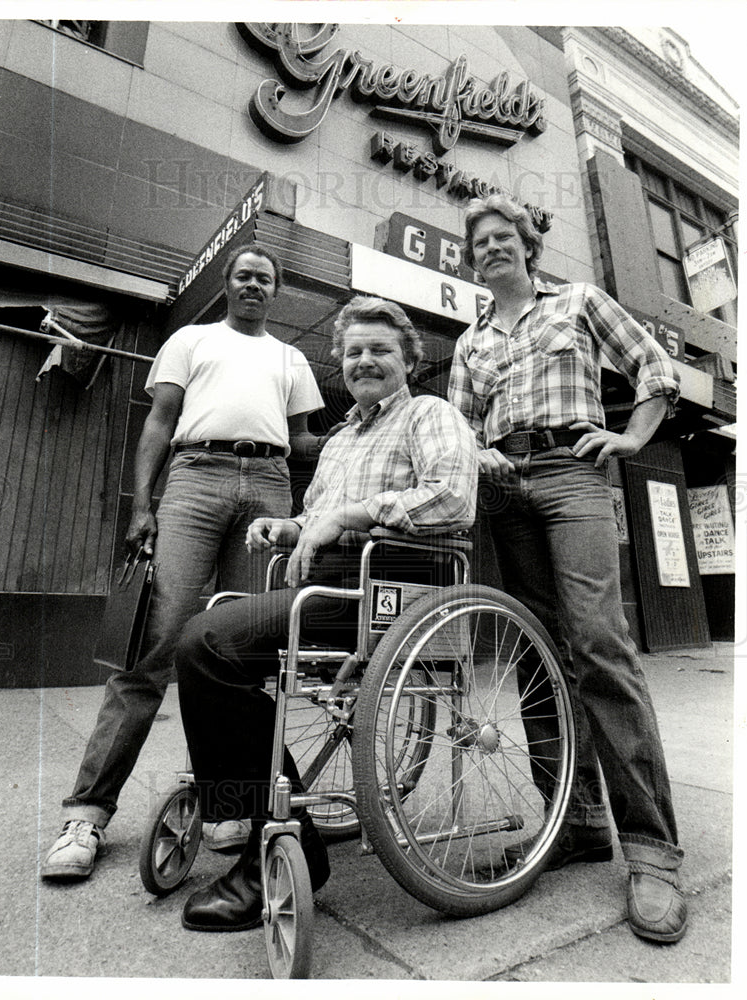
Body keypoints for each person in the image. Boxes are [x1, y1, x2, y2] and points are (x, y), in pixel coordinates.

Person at [174, 295, 478, 932]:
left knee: (208, 645)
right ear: (340, 362)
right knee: (209, 641)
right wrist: (286, 527)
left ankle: (278, 840)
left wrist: (352, 515)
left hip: (393, 589)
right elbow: (318, 519)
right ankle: (259, 814)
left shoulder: (431, 413)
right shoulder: (340, 440)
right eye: (355, 352)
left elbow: (452, 499)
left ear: (409, 360)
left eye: (381, 350)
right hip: (330, 588)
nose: (366, 361)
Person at [41, 244, 326, 880]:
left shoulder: (291, 357)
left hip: (271, 481)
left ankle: (229, 804)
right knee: (153, 646)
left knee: (244, 651)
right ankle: (86, 813)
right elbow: (159, 422)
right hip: (195, 476)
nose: (254, 285)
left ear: (275, 292)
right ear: (228, 284)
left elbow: (304, 437)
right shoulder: (192, 341)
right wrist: (143, 504)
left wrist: (369, 420)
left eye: (265, 279)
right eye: (245, 276)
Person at [447, 193, 687, 944]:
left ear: (526, 245)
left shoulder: (578, 301)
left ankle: (651, 850)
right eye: (477, 241)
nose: (490, 247)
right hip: (503, 490)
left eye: (501, 236)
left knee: (597, 645)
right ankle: (576, 822)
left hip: (571, 474)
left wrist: (626, 438)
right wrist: (473, 454)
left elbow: (654, 367)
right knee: (538, 659)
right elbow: (455, 425)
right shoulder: (469, 342)